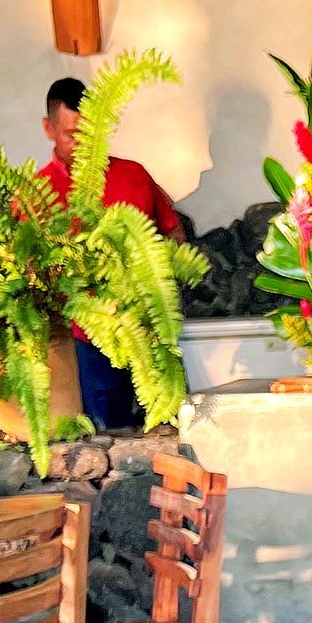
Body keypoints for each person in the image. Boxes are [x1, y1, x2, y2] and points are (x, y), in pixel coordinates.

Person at [39, 74, 183, 432]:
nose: (84, 144)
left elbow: (173, 234)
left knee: (168, 430)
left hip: (150, 328)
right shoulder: (37, 193)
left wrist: (155, 271)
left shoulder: (133, 175)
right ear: (49, 128)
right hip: (86, 339)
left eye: (91, 133)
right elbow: (30, 271)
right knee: (108, 439)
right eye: (73, 134)